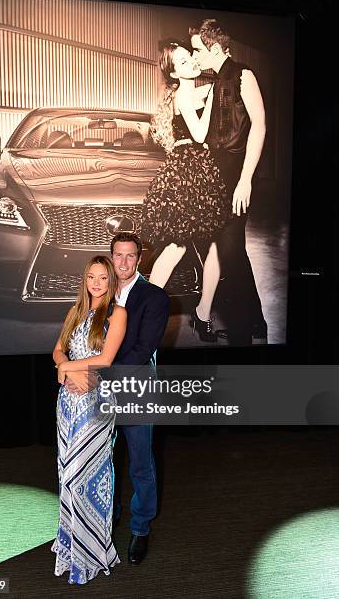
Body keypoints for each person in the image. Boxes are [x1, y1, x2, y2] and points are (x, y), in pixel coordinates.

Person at [66, 232, 170, 565]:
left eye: (130, 256)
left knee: (140, 463)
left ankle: (140, 528)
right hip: (95, 395)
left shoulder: (154, 297)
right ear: (111, 258)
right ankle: (105, 519)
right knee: (100, 463)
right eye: (118, 256)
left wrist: (95, 375)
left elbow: (142, 350)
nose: (123, 262)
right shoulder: (99, 294)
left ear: (140, 259)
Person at [141, 42, 231, 341]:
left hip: (200, 168)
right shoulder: (183, 92)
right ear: (175, 72)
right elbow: (201, 134)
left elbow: (219, 87)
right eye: (182, 61)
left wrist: (217, 84)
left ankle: (203, 313)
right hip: (188, 170)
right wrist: (211, 98)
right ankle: (146, 311)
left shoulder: (198, 89)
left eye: (189, 56)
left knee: (213, 245)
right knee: (178, 245)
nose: (191, 61)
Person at [190, 19, 267, 345]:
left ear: (216, 47)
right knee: (233, 253)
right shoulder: (211, 83)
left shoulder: (243, 75)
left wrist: (246, 179)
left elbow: (260, 127)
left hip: (237, 178)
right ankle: (256, 323)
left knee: (232, 253)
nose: (195, 55)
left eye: (197, 49)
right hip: (216, 180)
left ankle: (242, 337)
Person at [51, 256, 127, 585]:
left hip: (97, 402)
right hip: (67, 405)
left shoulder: (117, 314)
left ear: (111, 281)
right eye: (91, 277)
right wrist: (64, 367)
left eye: (102, 278)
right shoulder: (75, 311)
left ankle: (93, 552)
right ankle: (71, 550)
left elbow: (107, 359)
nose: (96, 283)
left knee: (85, 478)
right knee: (67, 475)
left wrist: (68, 369)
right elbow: (57, 351)